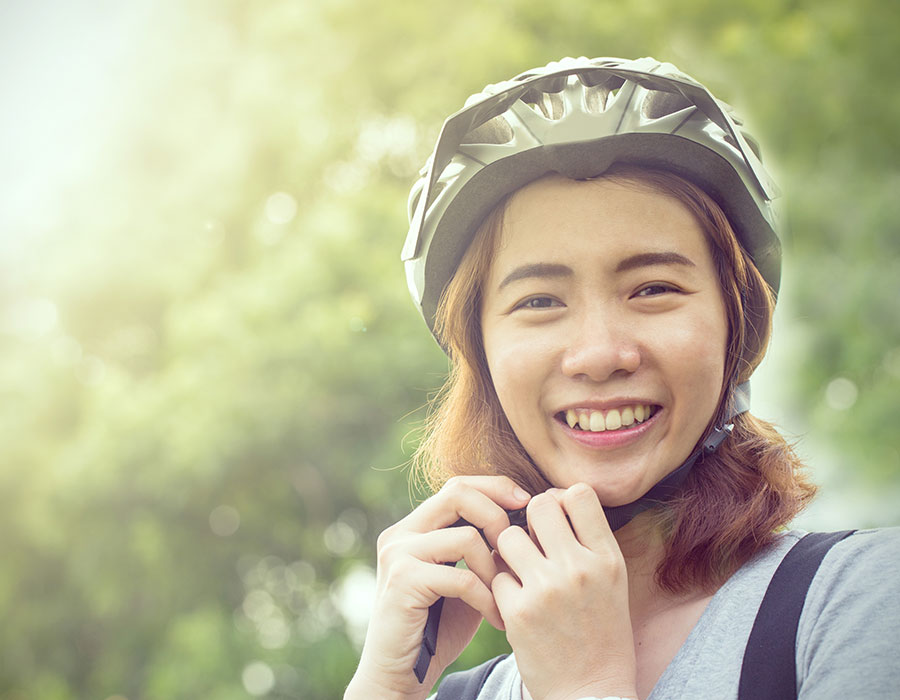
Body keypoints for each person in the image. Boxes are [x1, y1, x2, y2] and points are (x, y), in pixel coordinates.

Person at [344, 56, 900, 700]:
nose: (599, 353)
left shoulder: (860, 602)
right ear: (483, 356)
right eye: (539, 301)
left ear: (735, 327)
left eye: (654, 288)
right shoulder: (458, 692)